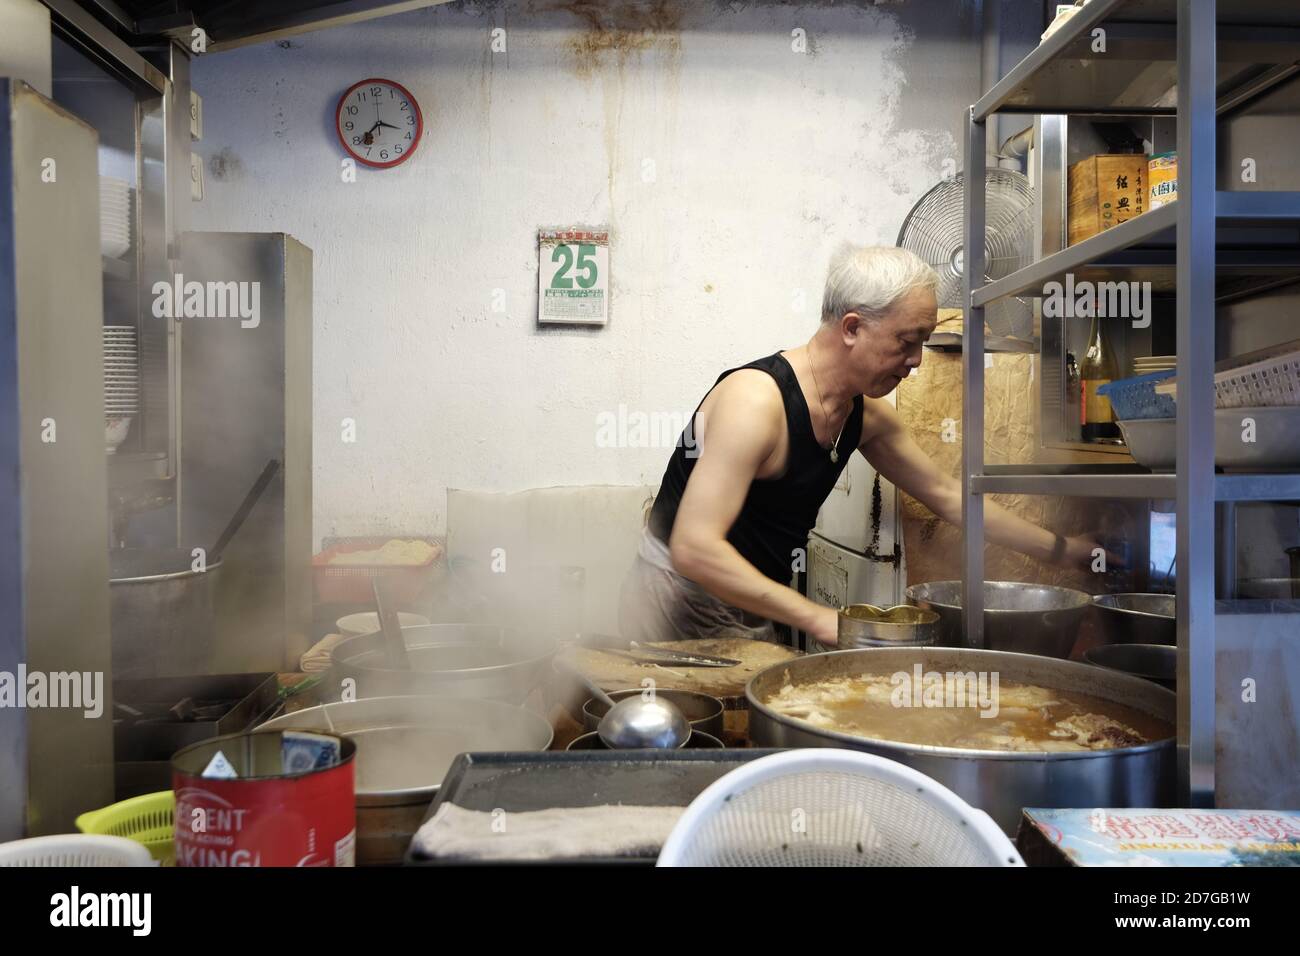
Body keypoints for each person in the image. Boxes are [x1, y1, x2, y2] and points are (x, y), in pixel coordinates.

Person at [618, 243, 1103, 647]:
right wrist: (818, 618)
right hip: (675, 597)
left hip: (747, 597)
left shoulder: (865, 417)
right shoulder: (756, 402)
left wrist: (1064, 550)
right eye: (907, 342)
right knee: (678, 742)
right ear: (852, 328)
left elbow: (948, 496)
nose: (915, 361)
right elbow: (694, 547)